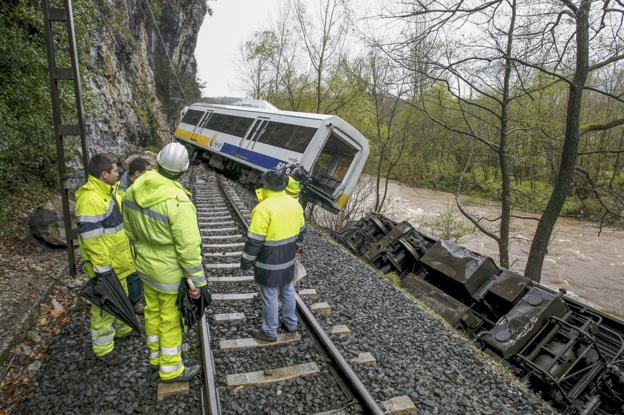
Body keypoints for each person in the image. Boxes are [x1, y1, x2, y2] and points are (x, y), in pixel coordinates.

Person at [122, 142, 206, 383]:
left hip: (146, 267)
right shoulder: (179, 202)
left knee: (153, 312)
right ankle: (171, 369)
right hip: (169, 273)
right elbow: (188, 248)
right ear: (183, 171)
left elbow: (129, 231)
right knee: (170, 319)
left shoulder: (133, 190)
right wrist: (197, 281)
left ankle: (156, 358)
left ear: (157, 162)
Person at [75, 153, 137, 366]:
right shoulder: (90, 199)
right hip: (106, 265)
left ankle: (123, 329)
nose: (118, 173)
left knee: (122, 295)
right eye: (114, 170)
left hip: (118, 260)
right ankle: (104, 350)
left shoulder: (107, 191)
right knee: (104, 307)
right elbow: (92, 239)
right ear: (104, 174)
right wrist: (102, 269)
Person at [241, 168, 306, 342]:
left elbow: (255, 241)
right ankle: (291, 323)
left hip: (268, 261)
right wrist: (298, 248)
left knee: (269, 295)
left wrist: (246, 261)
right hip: (288, 258)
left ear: (266, 185)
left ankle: (270, 331)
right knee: (288, 289)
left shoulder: (263, 208)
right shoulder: (295, 205)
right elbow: (301, 231)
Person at [116, 157, 153, 314]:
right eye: (148, 172)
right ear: (137, 174)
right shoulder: (121, 191)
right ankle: (136, 301)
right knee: (133, 269)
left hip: (139, 232)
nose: (151, 176)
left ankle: (139, 295)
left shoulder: (138, 184)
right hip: (126, 236)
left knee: (139, 265)